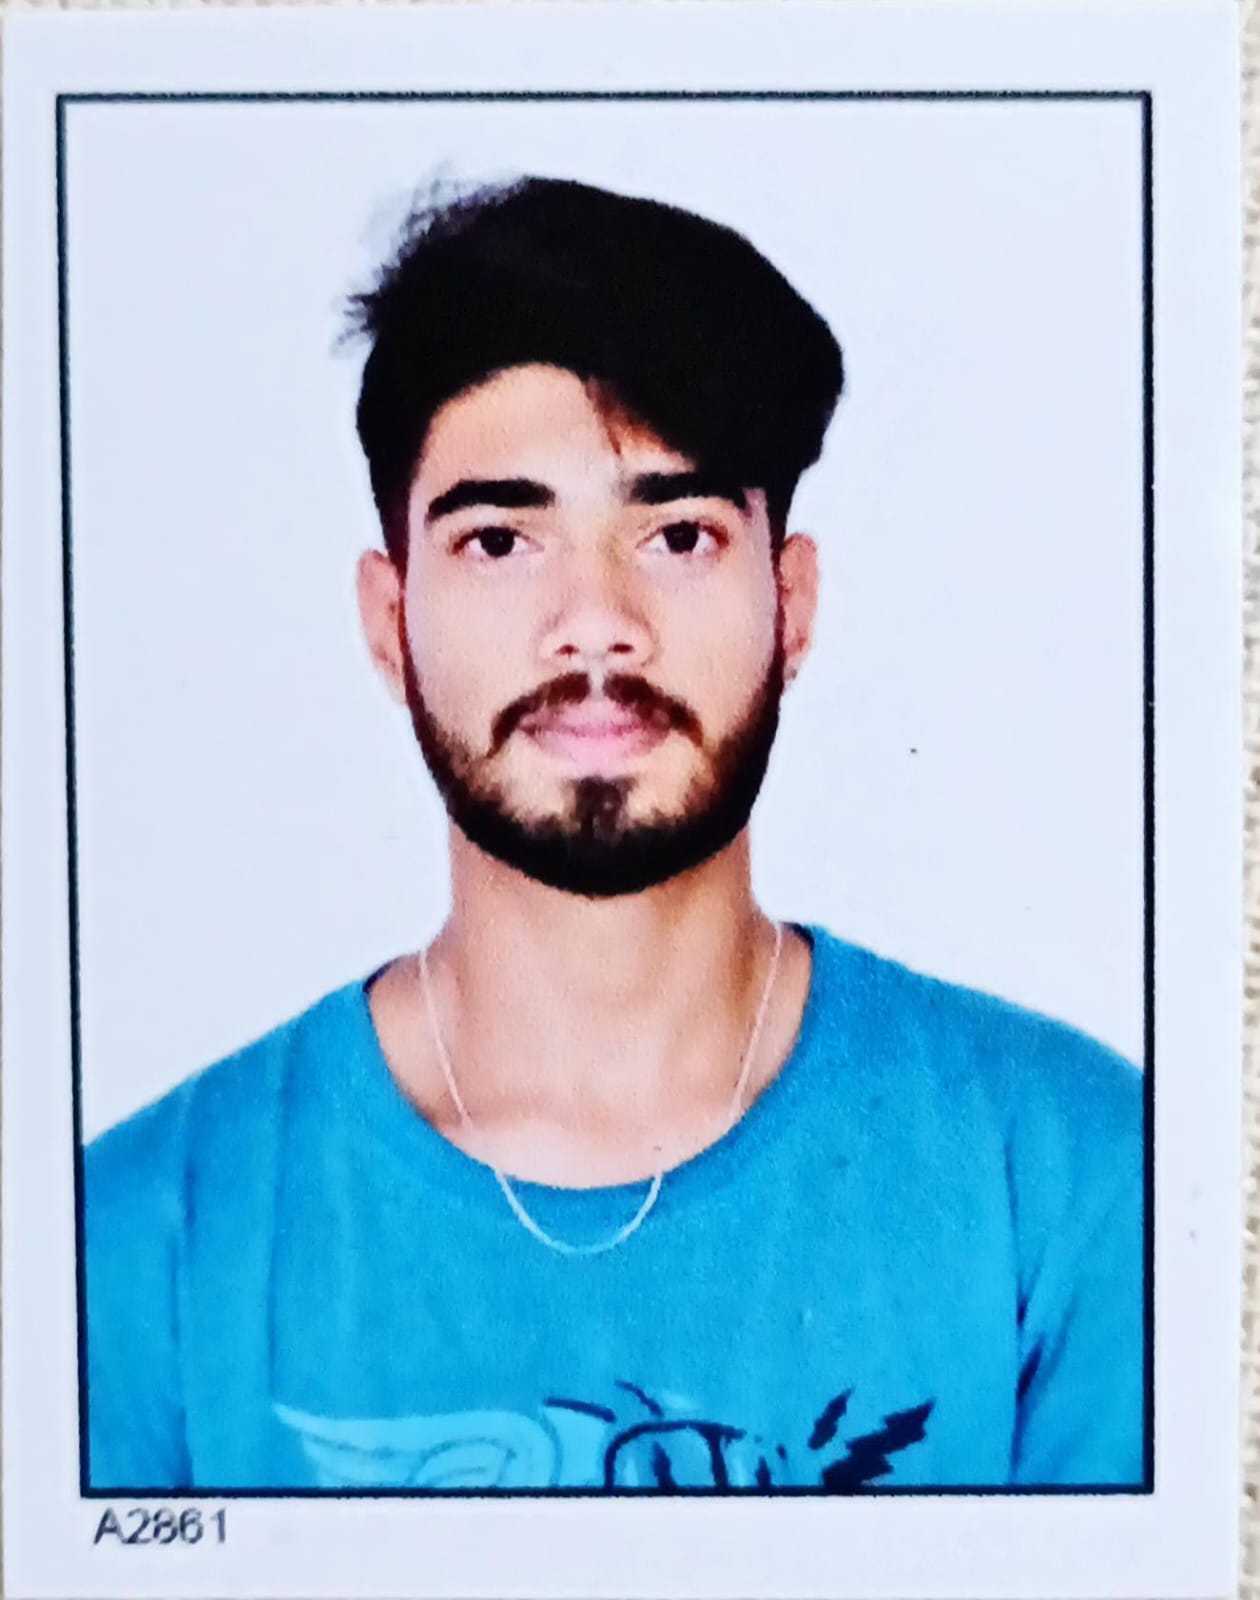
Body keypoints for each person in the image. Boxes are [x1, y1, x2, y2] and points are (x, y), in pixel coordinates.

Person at [84, 176, 1143, 1494]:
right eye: (501, 541)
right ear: (389, 621)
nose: (596, 622)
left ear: (793, 604)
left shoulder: (1080, 1184)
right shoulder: (135, 1252)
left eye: (678, 534)